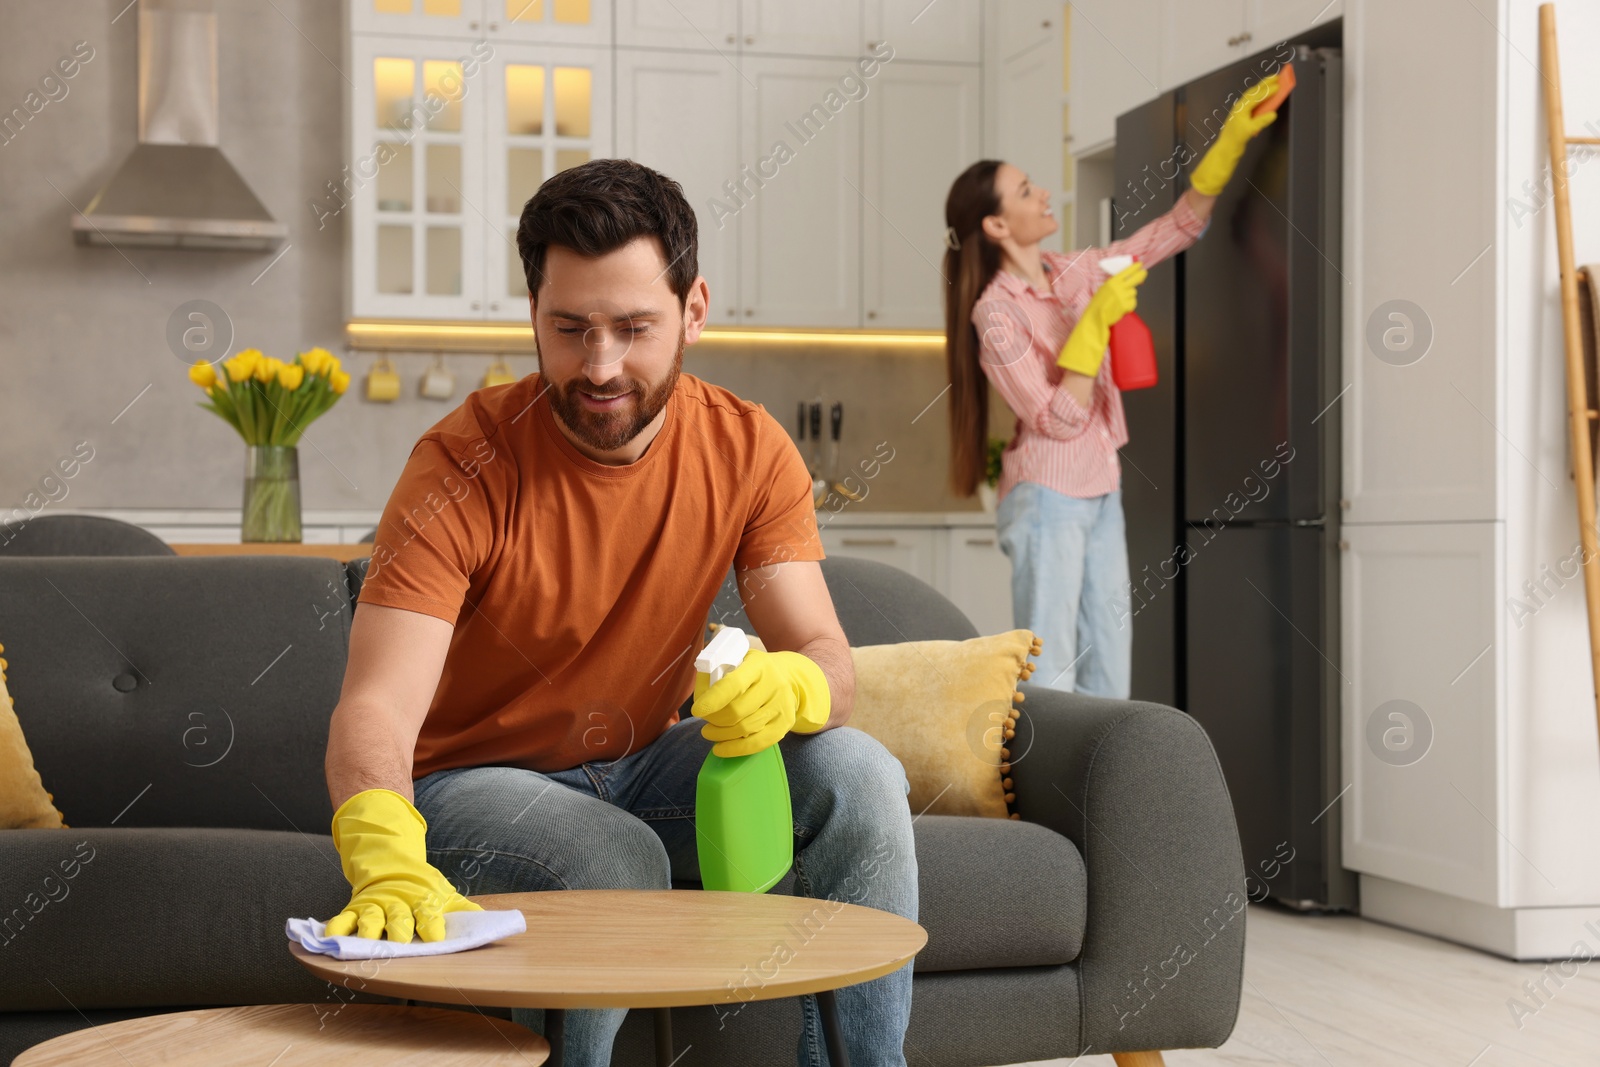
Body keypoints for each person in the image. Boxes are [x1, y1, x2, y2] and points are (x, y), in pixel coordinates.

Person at [320, 158, 919, 1067]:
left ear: (695, 309)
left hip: (648, 760)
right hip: (476, 781)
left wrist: (795, 685)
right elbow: (376, 704)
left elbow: (827, 657)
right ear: (533, 315)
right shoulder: (462, 465)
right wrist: (380, 842)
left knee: (861, 774)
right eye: (570, 329)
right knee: (613, 855)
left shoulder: (749, 449)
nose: (600, 367)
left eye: (635, 328)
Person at [941, 73, 1285, 698]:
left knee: (1109, 675)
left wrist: (1231, 140)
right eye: (1024, 190)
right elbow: (1057, 419)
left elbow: (1172, 231)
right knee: (1051, 676)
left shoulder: (1070, 270)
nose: (1042, 192)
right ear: (995, 226)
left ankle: (1102, 797)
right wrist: (1093, 324)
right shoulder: (995, 313)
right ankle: (1050, 795)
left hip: (1100, 486)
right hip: (1048, 497)